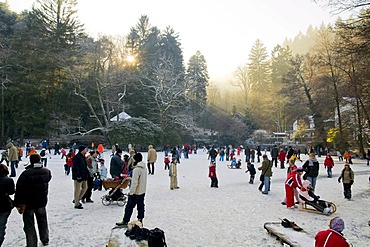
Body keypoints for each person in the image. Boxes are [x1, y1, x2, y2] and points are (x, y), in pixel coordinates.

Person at [14, 153, 52, 247]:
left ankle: (31, 244)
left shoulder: (26, 173)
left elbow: (19, 188)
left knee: (29, 225)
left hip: (29, 203)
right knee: (42, 221)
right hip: (41, 201)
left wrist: (17, 202)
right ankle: (45, 238)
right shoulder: (46, 171)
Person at [116, 153, 147, 227]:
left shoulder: (136, 170)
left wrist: (131, 192)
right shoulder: (144, 168)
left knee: (129, 207)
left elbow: (135, 183)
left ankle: (125, 220)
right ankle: (140, 219)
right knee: (141, 207)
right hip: (142, 191)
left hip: (135, 192)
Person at [0, 164, 15, 246]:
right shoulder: (9, 180)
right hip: (4, 205)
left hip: (4, 205)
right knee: (1, 226)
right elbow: (12, 192)